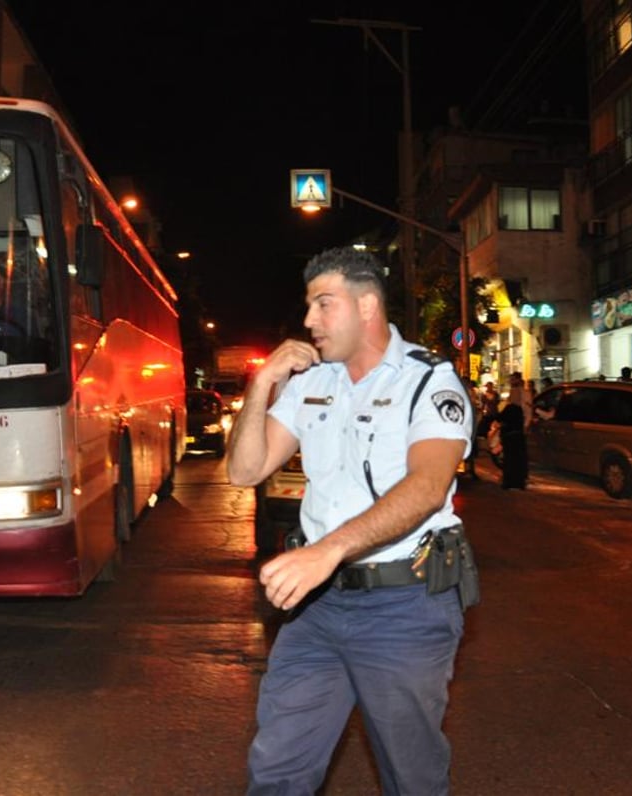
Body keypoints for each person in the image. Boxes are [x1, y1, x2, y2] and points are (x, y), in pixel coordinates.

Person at [225, 246, 476, 794]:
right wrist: (262, 382)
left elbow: (428, 487)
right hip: (317, 607)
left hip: (404, 606)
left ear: (367, 306)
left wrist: (329, 549)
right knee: (278, 767)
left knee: (410, 775)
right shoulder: (314, 382)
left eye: (323, 304)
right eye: (309, 306)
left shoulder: (428, 382)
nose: (309, 321)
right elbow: (245, 470)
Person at [499, 373, 528, 489]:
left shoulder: (512, 409)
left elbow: (501, 418)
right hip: (516, 435)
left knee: (511, 460)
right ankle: (518, 482)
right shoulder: (517, 409)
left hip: (511, 436)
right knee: (518, 459)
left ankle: (511, 481)